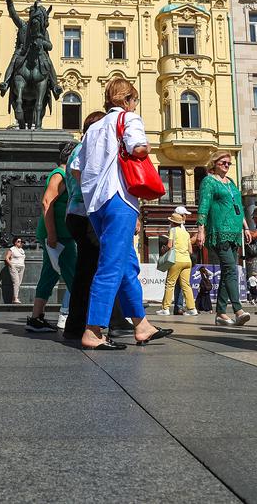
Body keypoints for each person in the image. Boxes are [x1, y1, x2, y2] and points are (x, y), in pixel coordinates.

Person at [69, 77, 172, 349]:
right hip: (120, 199)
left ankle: (141, 324)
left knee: (126, 264)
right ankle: (93, 330)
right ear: (127, 99)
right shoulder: (129, 118)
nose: (135, 104)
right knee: (111, 266)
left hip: (96, 204)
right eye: (134, 99)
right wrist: (147, 148)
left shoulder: (93, 128)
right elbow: (137, 148)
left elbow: (76, 169)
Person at [62, 111, 107, 341]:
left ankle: (75, 324)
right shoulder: (87, 149)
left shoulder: (75, 151)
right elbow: (87, 179)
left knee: (85, 270)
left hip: (75, 214)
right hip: (87, 214)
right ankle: (92, 323)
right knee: (97, 268)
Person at [193, 151, 252, 327]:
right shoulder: (209, 181)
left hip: (234, 232)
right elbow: (203, 205)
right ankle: (238, 309)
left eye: (228, 163)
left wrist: (246, 227)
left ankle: (220, 313)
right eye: (223, 163)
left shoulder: (231, 183)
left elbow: (239, 206)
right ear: (214, 164)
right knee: (230, 269)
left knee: (228, 272)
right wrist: (200, 229)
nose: (227, 165)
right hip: (219, 230)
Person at [27, 145, 78, 332]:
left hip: (59, 235)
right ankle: (83, 320)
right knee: (74, 277)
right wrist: (52, 234)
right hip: (60, 236)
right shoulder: (61, 175)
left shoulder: (66, 175)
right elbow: (47, 202)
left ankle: (36, 318)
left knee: (49, 275)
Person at [156, 206, 196, 316]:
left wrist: (164, 249)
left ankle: (165, 308)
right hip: (187, 261)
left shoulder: (173, 230)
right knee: (186, 285)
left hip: (177, 260)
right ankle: (192, 308)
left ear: (173, 223)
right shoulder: (187, 233)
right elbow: (190, 250)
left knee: (170, 284)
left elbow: (169, 245)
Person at [5, 237, 27, 304]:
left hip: (21, 267)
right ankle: (15, 298)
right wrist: (11, 265)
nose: (20, 243)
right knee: (16, 282)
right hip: (14, 267)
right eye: (18, 241)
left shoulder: (22, 250)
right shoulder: (12, 249)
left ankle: (14, 297)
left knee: (18, 283)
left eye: (21, 242)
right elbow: (6, 258)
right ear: (15, 242)